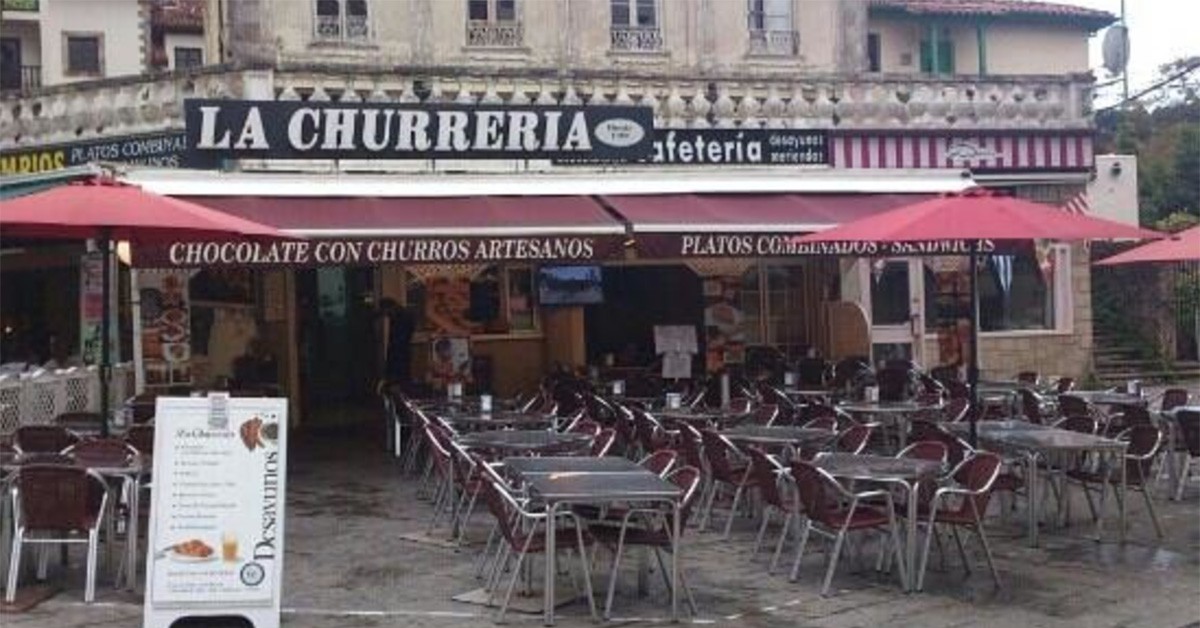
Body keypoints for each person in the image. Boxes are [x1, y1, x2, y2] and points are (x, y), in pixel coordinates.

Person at [379, 298, 415, 387]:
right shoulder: (400, 315)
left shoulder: (401, 317)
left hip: (399, 352)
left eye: (387, 312)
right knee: (402, 377)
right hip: (401, 352)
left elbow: (398, 339)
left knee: (401, 378)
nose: (387, 315)